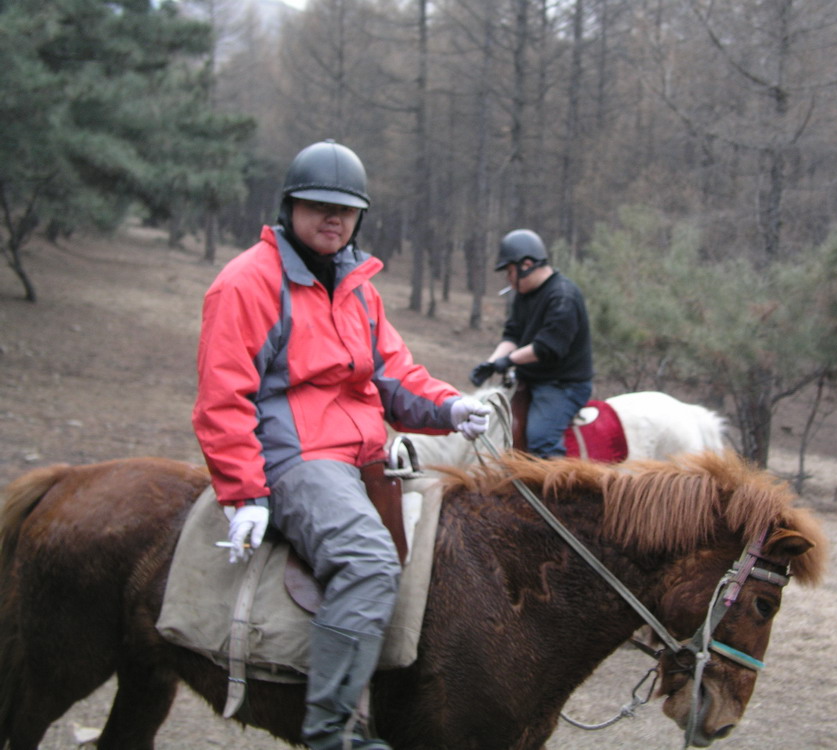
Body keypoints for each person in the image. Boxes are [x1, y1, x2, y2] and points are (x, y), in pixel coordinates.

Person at [192, 139, 489, 750]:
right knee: (369, 561)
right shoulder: (247, 283)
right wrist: (246, 491)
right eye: (318, 205)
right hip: (296, 457)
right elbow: (223, 397)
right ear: (290, 206)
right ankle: (328, 732)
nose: (333, 218)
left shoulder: (358, 286)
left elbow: (395, 375)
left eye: (346, 209)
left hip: (366, 452)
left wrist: (452, 405)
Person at [470, 228, 593, 458]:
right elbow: (512, 336)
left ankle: (557, 493)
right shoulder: (523, 295)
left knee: (541, 439)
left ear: (526, 264)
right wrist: (490, 363)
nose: (508, 278)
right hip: (531, 379)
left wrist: (507, 361)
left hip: (563, 385)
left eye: (509, 271)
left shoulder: (563, 296)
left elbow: (547, 347)